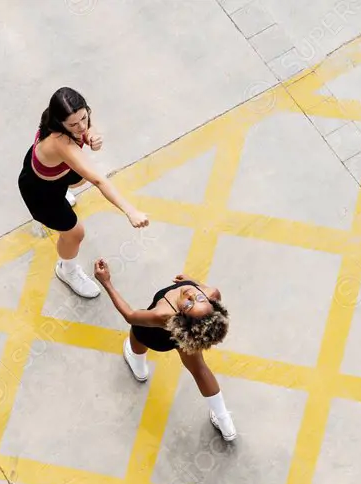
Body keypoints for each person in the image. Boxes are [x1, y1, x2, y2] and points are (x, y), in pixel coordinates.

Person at [18, 87, 149, 299]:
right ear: (59, 122)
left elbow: (87, 125)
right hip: (41, 193)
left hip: (50, 174)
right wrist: (130, 211)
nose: (80, 126)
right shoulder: (61, 143)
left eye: (84, 118)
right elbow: (97, 179)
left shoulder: (65, 115)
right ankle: (66, 270)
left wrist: (91, 134)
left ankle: (63, 194)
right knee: (75, 234)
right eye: (73, 125)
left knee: (77, 180)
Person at [92, 259, 237, 441]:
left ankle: (139, 367)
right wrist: (192, 281)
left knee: (137, 335)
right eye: (198, 298)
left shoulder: (162, 314)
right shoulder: (211, 293)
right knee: (199, 369)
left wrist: (106, 282)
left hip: (157, 338)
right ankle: (224, 420)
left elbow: (130, 316)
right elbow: (198, 290)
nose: (190, 293)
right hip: (183, 340)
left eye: (188, 304)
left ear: (181, 319)